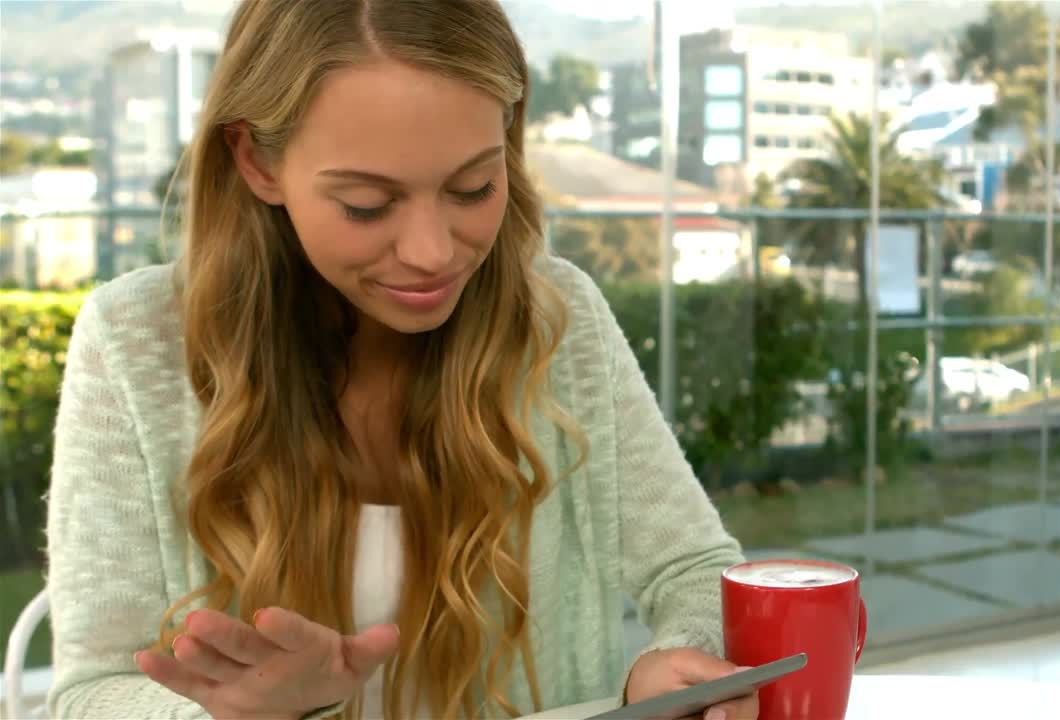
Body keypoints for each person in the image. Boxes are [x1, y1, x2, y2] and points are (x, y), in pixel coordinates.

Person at [43, 1, 754, 718]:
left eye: (474, 187)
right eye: (366, 204)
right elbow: (88, 693)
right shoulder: (134, 341)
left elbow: (698, 571)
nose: (433, 253)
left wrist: (671, 669)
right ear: (256, 160)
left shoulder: (556, 322)